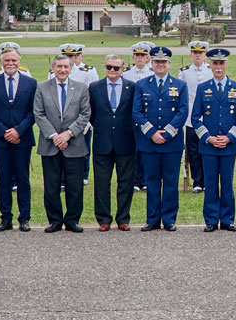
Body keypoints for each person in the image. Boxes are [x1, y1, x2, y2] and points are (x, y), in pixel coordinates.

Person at [33, 55, 92, 234]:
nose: (62, 70)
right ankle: (55, 220)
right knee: (51, 186)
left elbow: (85, 114)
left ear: (71, 68)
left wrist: (67, 134)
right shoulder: (42, 87)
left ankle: (72, 220)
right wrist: (54, 136)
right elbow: (39, 114)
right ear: (53, 67)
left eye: (66, 67)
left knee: (74, 186)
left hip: (74, 144)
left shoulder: (81, 88)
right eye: (59, 66)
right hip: (50, 145)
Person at [0, 43, 37, 230]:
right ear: (1, 62)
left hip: (22, 139)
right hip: (1, 139)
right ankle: (5, 218)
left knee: (23, 180)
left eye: (13, 60)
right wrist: (5, 132)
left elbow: (33, 112)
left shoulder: (31, 83)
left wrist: (18, 131)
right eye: (7, 60)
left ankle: (25, 218)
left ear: (19, 62)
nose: (10, 63)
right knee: (4, 180)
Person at [193, 47, 236, 232]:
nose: (218, 67)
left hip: (228, 146)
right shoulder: (203, 88)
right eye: (215, 63)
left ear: (226, 64)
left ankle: (227, 219)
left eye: (221, 63)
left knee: (227, 184)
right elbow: (195, 118)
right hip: (208, 146)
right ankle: (210, 219)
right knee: (210, 183)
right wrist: (208, 138)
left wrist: (229, 137)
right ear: (210, 64)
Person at [133, 46, 187, 230]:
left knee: (171, 182)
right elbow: (137, 112)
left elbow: (182, 111)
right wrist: (152, 133)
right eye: (157, 61)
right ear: (151, 63)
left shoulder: (180, 85)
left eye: (164, 62)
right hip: (149, 143)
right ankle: (152, 219)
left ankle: (169, 219)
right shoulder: (142, 85)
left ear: (169, 64)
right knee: (152, 182)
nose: (160, 65)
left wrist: (168, 132)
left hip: (172, 143)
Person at [88, 54, 138, 230]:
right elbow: (91, 114)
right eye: (109, 67)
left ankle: (123, 218)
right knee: (102, 183)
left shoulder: (132, 87)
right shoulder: (94, 87)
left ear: (122, 69)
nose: (112, 71)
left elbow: (135, 112)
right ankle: (103, 219)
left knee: (125, 182)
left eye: (116, 68)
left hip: (126, 140)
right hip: (103, 141)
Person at [178, 40, 213, 192]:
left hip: (209, 114)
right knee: (193, 150)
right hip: (191, 114)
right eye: (195, 53)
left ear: (205, 55)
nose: (197, 56)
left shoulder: (211, 70)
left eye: (200, 53)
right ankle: (197, 182)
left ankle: (208, 180)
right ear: (191, 55)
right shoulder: (184, 72)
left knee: (208, 149)